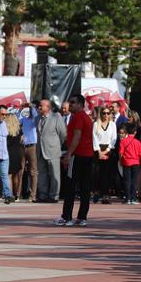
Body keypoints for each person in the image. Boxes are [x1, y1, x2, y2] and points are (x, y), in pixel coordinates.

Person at [56, 95, 93, 226]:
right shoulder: (86, 117)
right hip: (88, 155)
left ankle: (67, 217)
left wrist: (68, 155)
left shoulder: (78, 117)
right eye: (70, 102)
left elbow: (76, 137)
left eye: (73, 103)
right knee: (85, 187)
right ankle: (82, 217)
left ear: (81, 104)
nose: (70, 105)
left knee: (70, 186)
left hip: (77, 155)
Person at [35, 99, 66, 202]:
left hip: (53, 150)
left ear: (48, 107)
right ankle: (43, 195)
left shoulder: (56, 117)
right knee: (42, 174)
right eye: (39, 106)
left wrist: (56, 145)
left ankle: (54, 196)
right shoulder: (37, 118)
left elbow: (63, 134)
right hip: (40, 151)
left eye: (41, 106)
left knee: (54, 174)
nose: (39, 107)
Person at [92, 106, 117, 204]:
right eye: (104, 113)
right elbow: (94, 138)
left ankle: (105, 195)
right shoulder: (95, 124)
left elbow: (114, 139)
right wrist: (99, 152)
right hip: (98, 150)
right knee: (97, 173)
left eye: (108, 113)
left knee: (107, 174)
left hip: (109, 149)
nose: (106, 115)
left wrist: (107, 150)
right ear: (100, 114)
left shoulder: (112, 125)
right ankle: (97, 192)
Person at [117, 122, 141, 205]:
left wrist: (121, 160)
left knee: (127, 181)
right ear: (135, 132)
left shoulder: (123, 141)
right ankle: (133, 198)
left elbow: (120, 152)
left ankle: (127, 198)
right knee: (134, 181)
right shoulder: (138, 142)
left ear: (127, 132)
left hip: (126, 162)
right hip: (135, 162)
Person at [17, 102, 39, 201]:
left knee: (33, 171)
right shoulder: (24, 120)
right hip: (23, 147)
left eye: (29, 110)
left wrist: (31, 106)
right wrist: (21, 109)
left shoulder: (34, 119)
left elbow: (35, 114)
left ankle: (33, 195)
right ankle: (18, 194)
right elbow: (16, 121)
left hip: (32, 147)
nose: (28, 112)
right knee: (20, 171)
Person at [5, 113, 25, 201]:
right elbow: (22, 139)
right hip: (17, 152)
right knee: (16, 174)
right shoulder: (19, 129)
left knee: (8, 174)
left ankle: (9, 194)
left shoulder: (5, 129)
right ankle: (16, 195)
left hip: (8, 152)